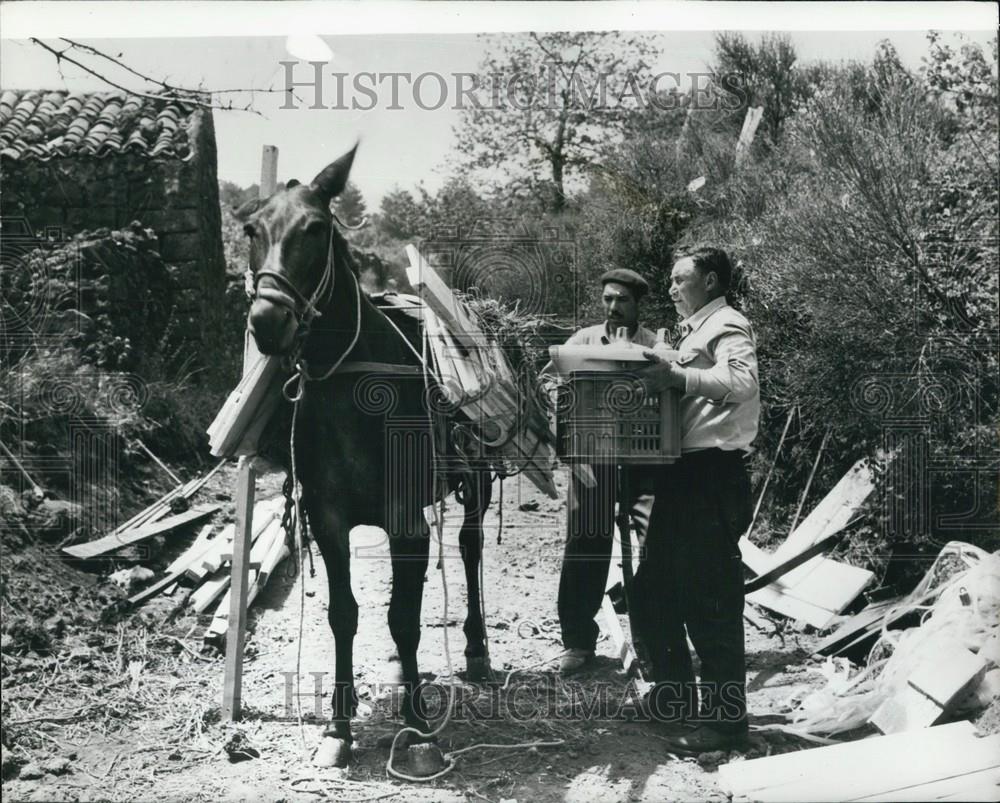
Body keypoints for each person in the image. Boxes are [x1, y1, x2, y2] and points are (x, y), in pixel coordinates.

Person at [635, 246, 760, 754]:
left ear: (709, 281)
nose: (670, 288)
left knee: (711, 602)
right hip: (684, 475)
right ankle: (675, 700)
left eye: (679, 278)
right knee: (656, 590)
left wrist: (677, 376)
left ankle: (726, 726)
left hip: (711, 475)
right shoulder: (692, 332)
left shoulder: (728, 323)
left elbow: (743, 382)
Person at [550, 268, 658, 675]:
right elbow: (557, 393)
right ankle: (578, 642)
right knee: (585, 543)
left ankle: (651, 641)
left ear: (637, 305)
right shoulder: (581, 342)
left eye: (623, 300)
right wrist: (569, 452)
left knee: (651, 548)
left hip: (643, 458)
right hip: (592, 459)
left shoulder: (655, 345)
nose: (614, 307)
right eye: (608, 299)